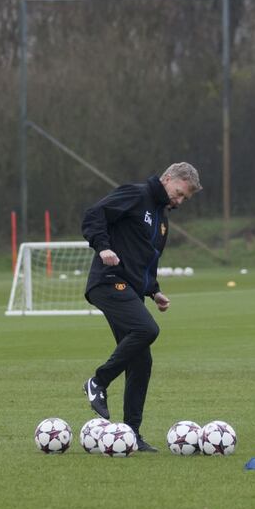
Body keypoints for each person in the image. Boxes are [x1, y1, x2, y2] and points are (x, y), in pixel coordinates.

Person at [81, 162, 202, 451]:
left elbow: (145, 261)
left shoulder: (162, 218)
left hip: (130, 289)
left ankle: (131, 433)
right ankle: (98, 382)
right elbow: (94, 214)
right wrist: (103, 246)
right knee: (146, 329)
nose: (179, 200)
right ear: (168, 178)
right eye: (179, 192)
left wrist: (154, 291)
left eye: (184, 198)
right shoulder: (135, 195)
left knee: (142, 361)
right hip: (108, 282)